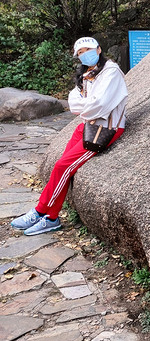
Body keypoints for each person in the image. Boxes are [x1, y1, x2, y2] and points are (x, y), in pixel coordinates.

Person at [11, 36, 128, 236]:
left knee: (62, 166)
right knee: (62, 166)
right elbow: (74, 101)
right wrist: (87, 106)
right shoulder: (88, 73)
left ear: (98, 49)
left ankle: (41, 212)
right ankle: (51, 216)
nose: (84, 54)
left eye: (87, 50)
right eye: (80, 53)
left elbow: (98, 106)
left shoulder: (111, 72)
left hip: (106, 129)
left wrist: (87, 106)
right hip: (88, 126)